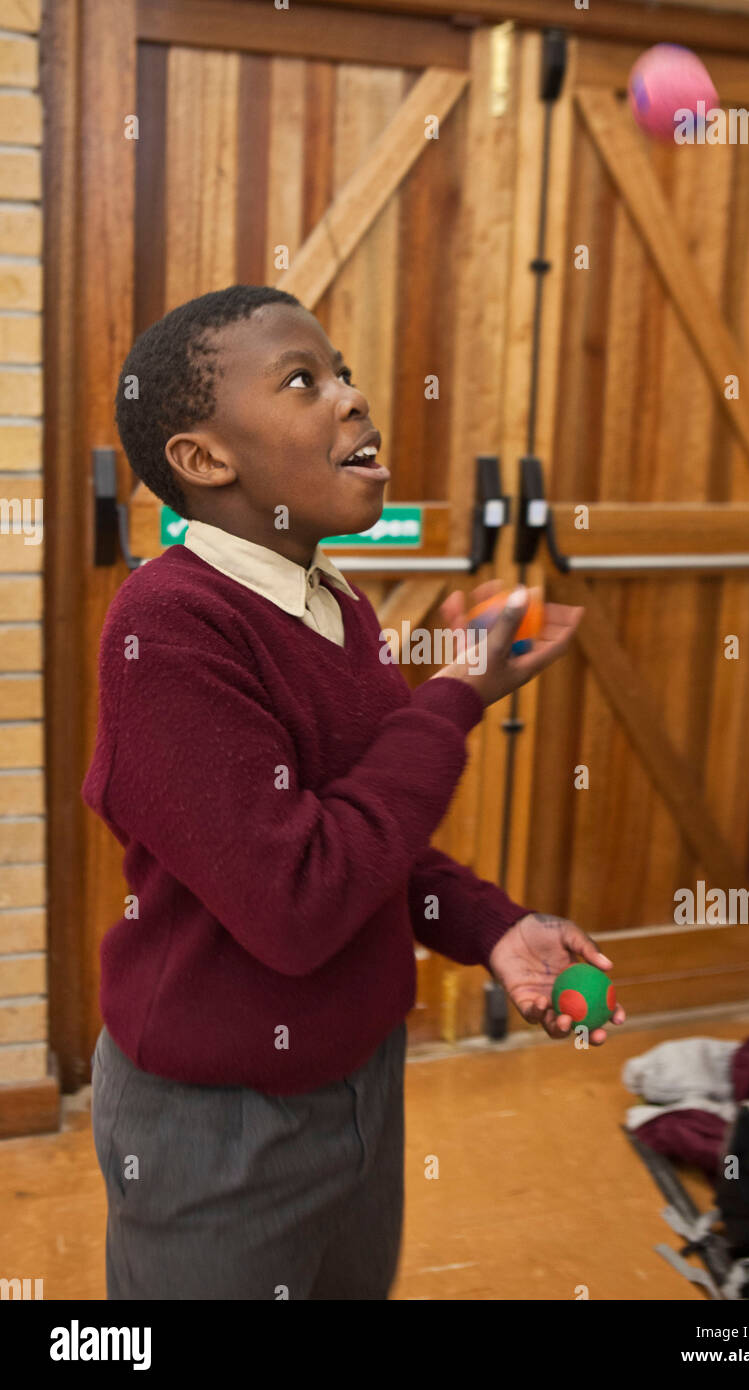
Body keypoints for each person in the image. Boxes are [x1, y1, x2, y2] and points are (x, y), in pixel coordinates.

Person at [83, 284, 626, 1300]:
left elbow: (368, 845)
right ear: (204, 460)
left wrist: (492, 927)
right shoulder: (168, 627)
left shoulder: (339, 607)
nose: (350, 398)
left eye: (344, 373)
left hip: (361, 1082)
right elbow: (298, 901)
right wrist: (456, 695)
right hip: (218, 1125)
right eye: (303, 380)